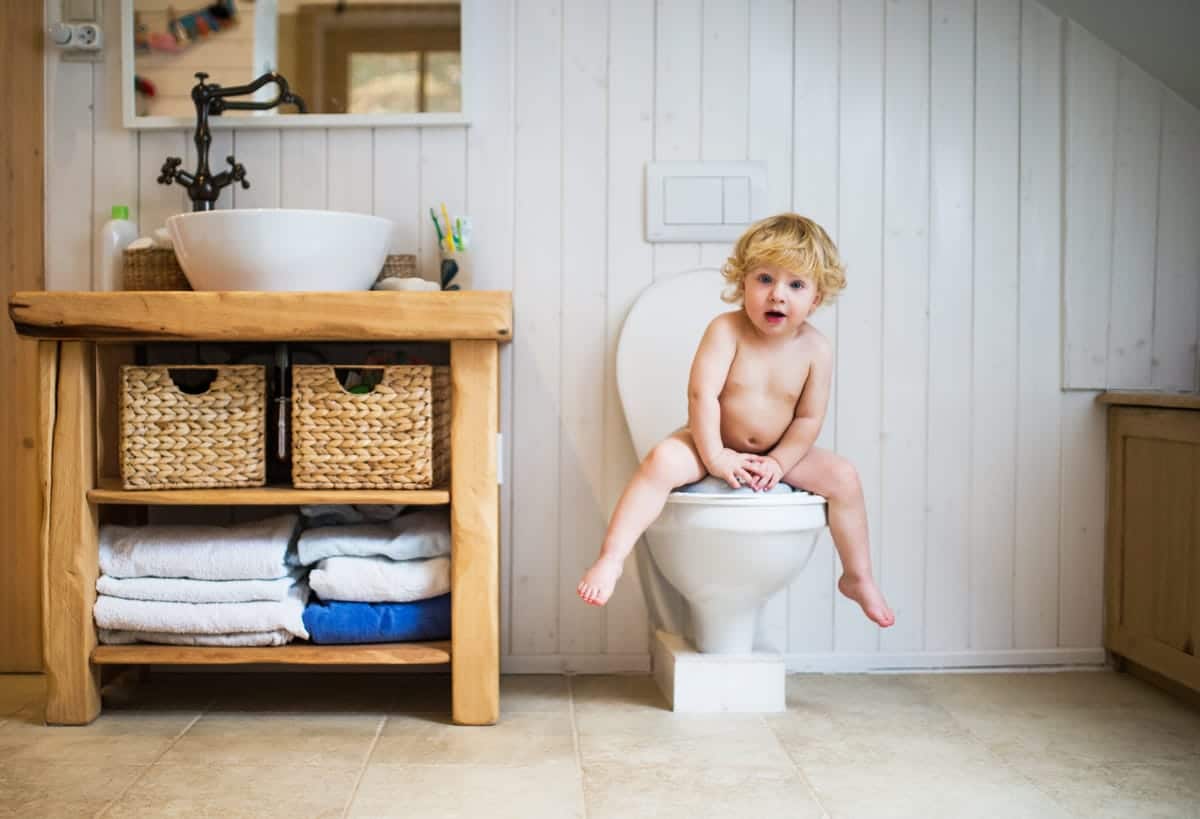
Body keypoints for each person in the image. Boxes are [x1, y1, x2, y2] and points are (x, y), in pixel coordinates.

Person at [576, 213, 894, 628]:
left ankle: (858, 576)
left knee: (845, 478)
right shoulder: (726, 330)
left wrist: (780, 462)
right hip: (709, 440)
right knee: (660, 464)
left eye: (795, 285)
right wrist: (715, 456)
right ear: (742, 282)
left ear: (816, 298)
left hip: (779, 451)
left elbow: (808, 418)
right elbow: (702, 396)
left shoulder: (817, 349)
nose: (777, 295)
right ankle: (611, 558)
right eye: (764, 279)